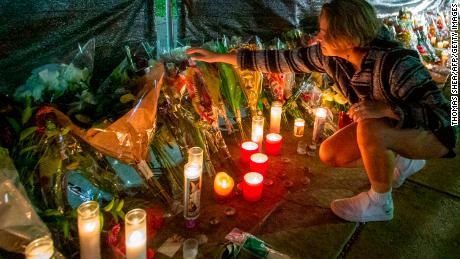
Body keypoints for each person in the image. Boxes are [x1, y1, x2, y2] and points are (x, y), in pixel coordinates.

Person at [186, 0, 458, 222]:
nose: (318, 37)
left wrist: (386, 108)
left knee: (371, 126)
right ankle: (403, 158)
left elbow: (446, 115)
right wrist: (219, 57)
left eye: (326, 32)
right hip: (395, 125)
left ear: (349, 36)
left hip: (436, 136)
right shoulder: (330, 56)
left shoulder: (396, 63)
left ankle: (380, 204)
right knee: (330, 153)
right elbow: (280, 60)